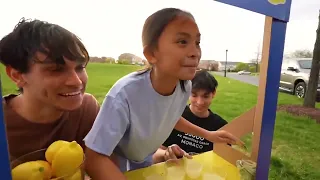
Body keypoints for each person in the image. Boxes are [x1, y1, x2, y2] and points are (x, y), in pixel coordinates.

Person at [84, 8, 243, 180]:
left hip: (143, 158)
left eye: (197, 43)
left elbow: (171, 116)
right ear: (152, 54)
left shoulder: (184, 86)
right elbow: (94, 158)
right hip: (114, 162)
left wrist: (208, 135)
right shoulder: (124, 95)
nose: (195, 52)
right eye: (183, 41)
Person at [0, 18, 100, 161]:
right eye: (56, 70)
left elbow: (98, 163)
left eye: (80, 68)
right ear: (17, 76)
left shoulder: (86, 109)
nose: (76, 81)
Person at [157, 70, 228, 162]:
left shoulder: (220, 126)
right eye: (194, 95)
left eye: (205, 96)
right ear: (187, 92)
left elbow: (223, 160)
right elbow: (156, 152)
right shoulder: (175, 116)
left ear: (213, 93)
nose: (200, 102)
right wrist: (166, 153)